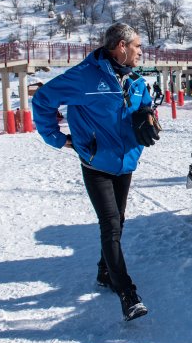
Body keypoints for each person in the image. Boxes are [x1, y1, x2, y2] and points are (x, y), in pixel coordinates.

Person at [32, 23, 159, 322]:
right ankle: (127, 292)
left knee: (119, 219)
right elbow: (43, 100)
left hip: (125, 163)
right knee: (111, 224)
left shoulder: (136, 81)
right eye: (137, 46)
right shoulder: (84, 76)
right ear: (121, 47)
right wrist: (57, 138)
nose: (142, 51)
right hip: (96, 163)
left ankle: (105, 271)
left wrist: (148, 117)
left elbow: (146, 105)